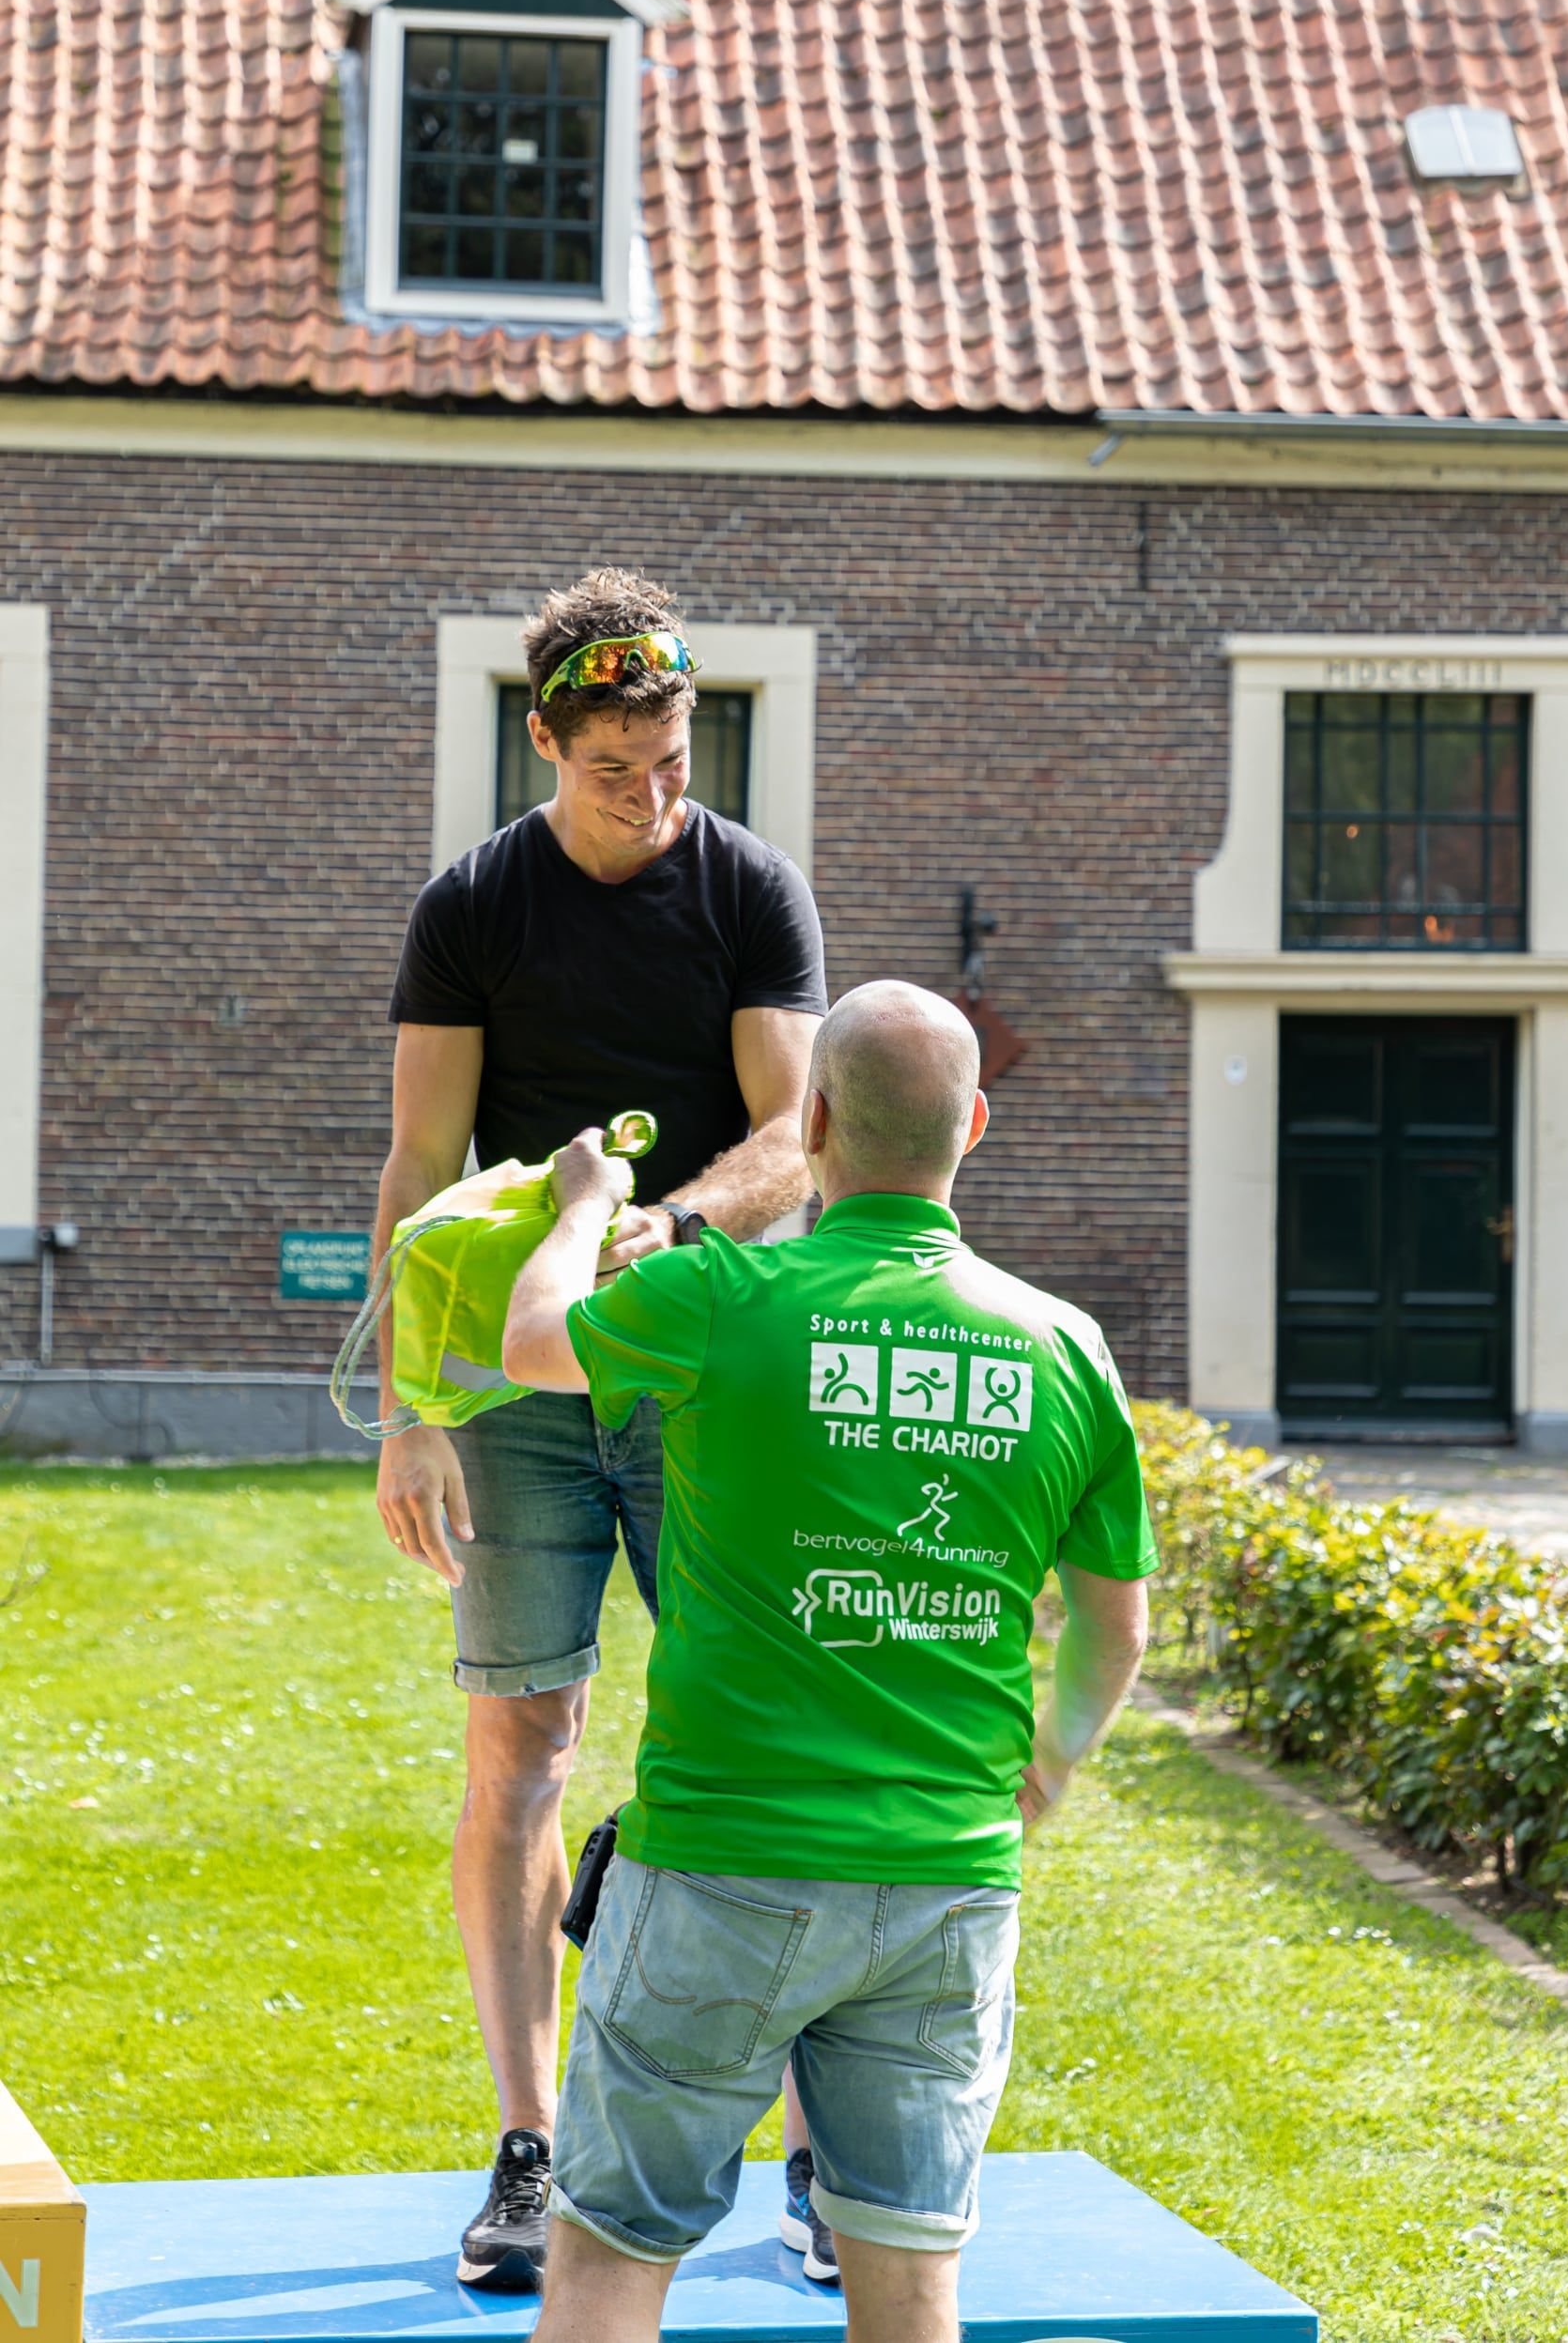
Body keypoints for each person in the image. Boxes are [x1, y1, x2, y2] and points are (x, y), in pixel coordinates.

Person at [500, 980, 1155, 2343]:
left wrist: (576, 1211)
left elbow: (526, 1344)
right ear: (971, 1126)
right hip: (947, 1879)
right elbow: (1114, 1626)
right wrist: (1048, 1770)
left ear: (810, 1124)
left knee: (610, 2261)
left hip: (719, 1865)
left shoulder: (721, 1292)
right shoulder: (1065, 1349)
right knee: (909, 2287)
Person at [373, 569, 828, 2288]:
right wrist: (414, 1410)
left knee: (765, 1742)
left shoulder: (749, 889)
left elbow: (797, 1129)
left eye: (675, 749)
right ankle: (530, 2144)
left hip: (702, 1365)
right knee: (523, 1748)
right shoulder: (475, 905)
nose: (655, 788)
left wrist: (683, 1225)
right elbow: (420, 1176)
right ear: (547, 739)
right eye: (617, 760)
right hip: (515, 1388)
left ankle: (810, 2157)